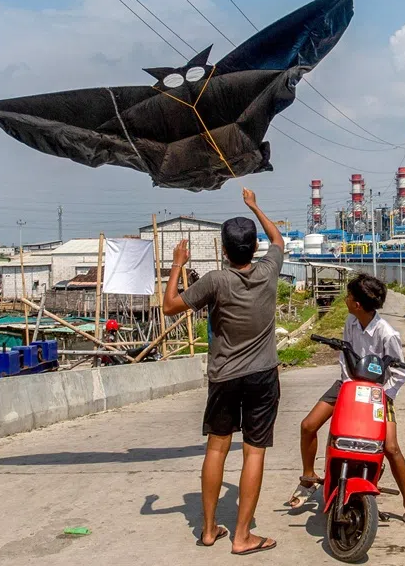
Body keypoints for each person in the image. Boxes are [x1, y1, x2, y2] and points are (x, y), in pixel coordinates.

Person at [163, 187, 284, 556]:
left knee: (217, 449)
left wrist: (178, 263)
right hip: (262, 375)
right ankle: (243, 535)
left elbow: (169, 306)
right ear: (253, 247)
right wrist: (254, 204)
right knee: (254, 453)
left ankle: (208, 528)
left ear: (225, 251)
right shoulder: (269, 270)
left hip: (224, 376)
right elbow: (277, 237)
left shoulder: (216, 280)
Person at [288, 273, 405, 531]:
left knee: (391, 447)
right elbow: (345, 356)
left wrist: (383, 395)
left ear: (358, 304)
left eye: (349, 297)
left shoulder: (387, 334)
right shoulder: (351, 322)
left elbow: (399, 373)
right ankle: (308, 479)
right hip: (348, 385)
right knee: (308, 425)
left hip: (379, 392)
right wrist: (348, 386)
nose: (346, 299)